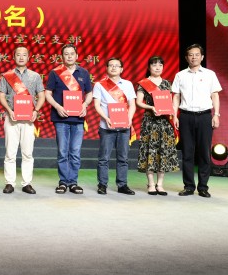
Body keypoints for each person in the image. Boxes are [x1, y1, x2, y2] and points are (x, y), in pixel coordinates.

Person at [171, 44, 222, 198]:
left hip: (205, 116)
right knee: (187, 152)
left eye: (197, 54)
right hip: (185, 116)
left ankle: (203, 187)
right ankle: (188, 186)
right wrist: (174, 116)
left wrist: (216, 114)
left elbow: (215, 95)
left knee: (204, 152)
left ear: (202, 57)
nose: (194, 57)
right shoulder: (180, 75)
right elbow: (176, 96)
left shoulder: (210, 74)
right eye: (191, 55)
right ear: (186, 58)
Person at [44, 43, 93, 195]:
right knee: (62, 151)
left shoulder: (83, 73)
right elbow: (47, 93)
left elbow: (89, 93)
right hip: (61, 118)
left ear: (77, 56)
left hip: (78, 118)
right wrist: (57, 107)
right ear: (62, 56)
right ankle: (63, 182)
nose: (69, 56)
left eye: (72, 53)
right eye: (66, 54)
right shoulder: (55, 73)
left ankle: (73, 182)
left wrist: (85, 104)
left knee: (75, 152)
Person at [0, 46, 45, 195]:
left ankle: (27, 183)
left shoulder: (35, 76)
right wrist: (9, 110)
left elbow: (41, 96)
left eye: (24, 55)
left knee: (27, 153)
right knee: (10, 153)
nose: (21, 57)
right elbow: (1, 95)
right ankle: (9, 183)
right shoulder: (7, 76)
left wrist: (36, 111)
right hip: (11, 117)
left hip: (29, 120)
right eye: (18, 55)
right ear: (14, 57)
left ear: (28, 57)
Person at [135, 56, 180, 195]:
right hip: (150, 122)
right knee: (150, 151)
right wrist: (151, 107)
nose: (157, 67)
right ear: (149, 67)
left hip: (165, 122)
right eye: (154, 65)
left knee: (163, 151)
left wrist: (175, 116)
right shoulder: (144, 83)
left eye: (160, 65)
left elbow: (172, 103)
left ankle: (160, 184)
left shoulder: (167, 83)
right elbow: (138, 102)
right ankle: (150, 184)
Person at [93, 57, 137, 195]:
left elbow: (132, 105)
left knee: (123, 157)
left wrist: (129, 119)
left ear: (121, 69)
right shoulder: (99, 85)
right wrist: (106, 118)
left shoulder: (128, 84)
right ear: (106, 68)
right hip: (106, 127)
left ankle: (122, 185)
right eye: (111, 65)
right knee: (104, 158)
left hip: (124, 127)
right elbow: (96, 105)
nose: (113, 68)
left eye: (116, 65)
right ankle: (102, 184)